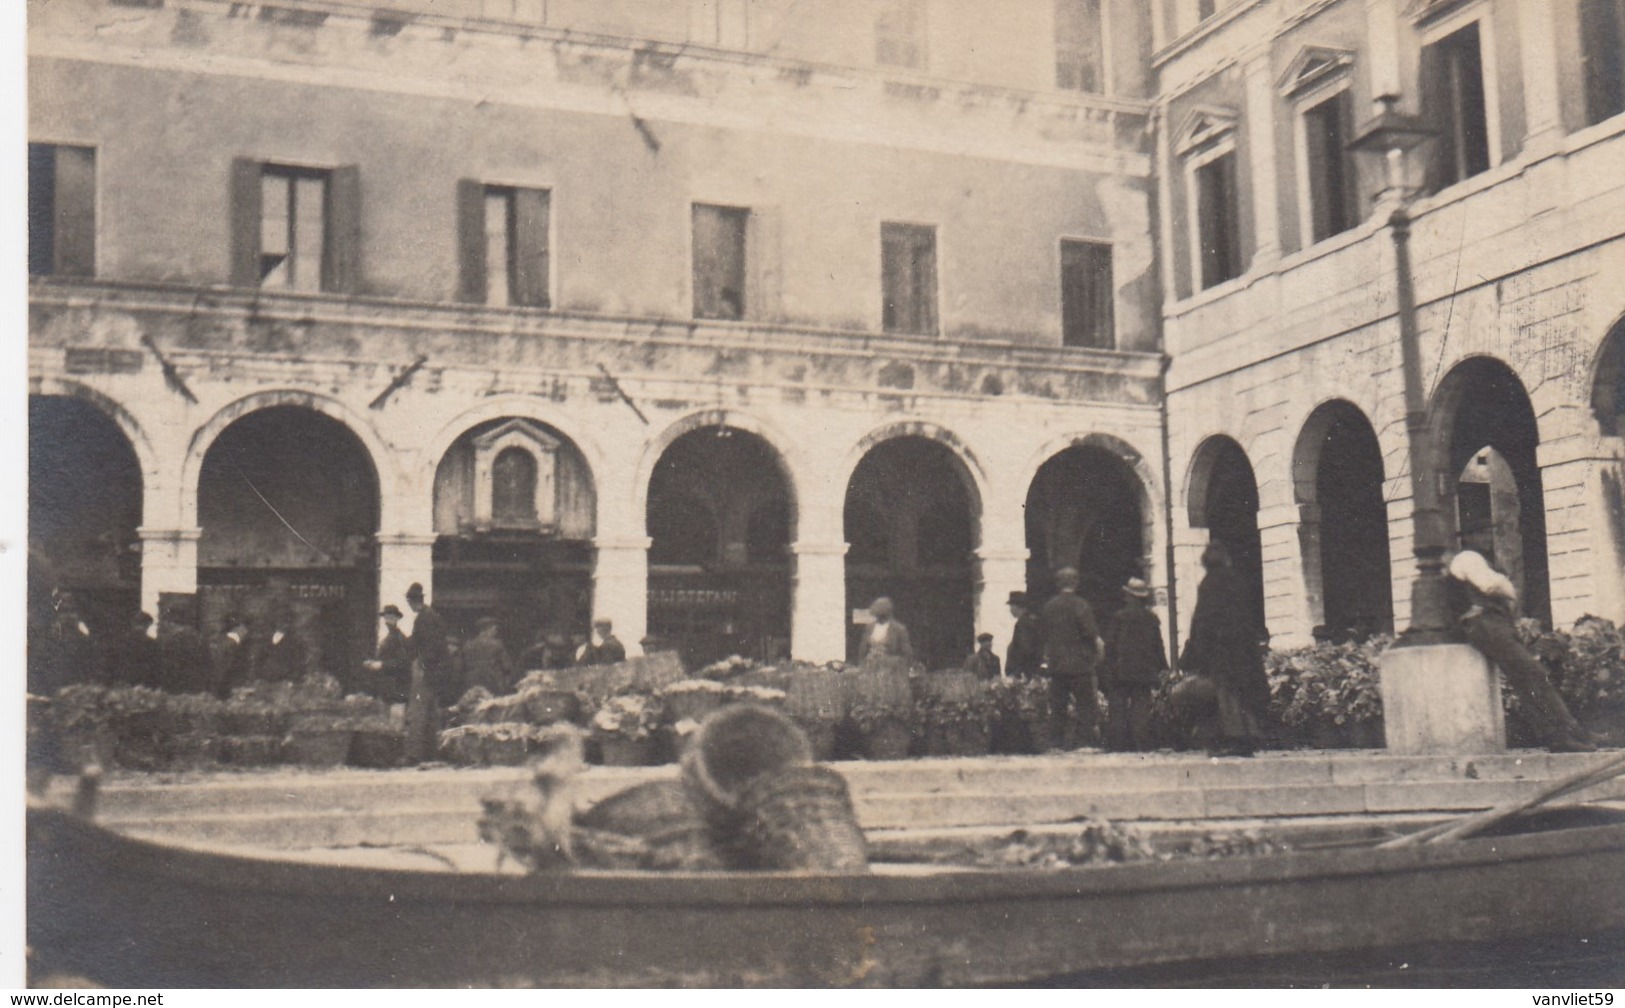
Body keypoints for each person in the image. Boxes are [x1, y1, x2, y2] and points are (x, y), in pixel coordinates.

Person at [1449, 529, 1596, 753]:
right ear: (1467, 537)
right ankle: (1562, 734)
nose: (1487, 537)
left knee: (1529, 676)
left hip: (1496, 625)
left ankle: (1567, 732)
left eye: (1489, 532)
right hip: (1486, 624)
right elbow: (1490, 585)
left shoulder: (1481, 559)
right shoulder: (1468, 558)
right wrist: (1508, 589)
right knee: (1530, 674)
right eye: (1480, 531)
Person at [1173, 542, 1264, 757]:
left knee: (1223, 693)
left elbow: (1201, 622)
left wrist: (1192, 654)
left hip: (1219, 650)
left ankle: (1232, 738)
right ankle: (1247, 736)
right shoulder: (1238, 581)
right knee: (1239, 693)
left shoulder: (1208, 584)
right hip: (1242, 649)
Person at [1101, 577, 1167, 752]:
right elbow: (1158, 646)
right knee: (1141, 707)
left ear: (1129, 596)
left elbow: (1110, 645)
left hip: (1121, 669)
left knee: (1118, 707)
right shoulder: (1151, 619)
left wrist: (1108, 667)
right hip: (1144, 670)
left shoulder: (1119, 617)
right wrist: (1163, 669)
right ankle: (1142, 744)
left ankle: (1118, 745)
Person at [1041, 567, 1104, 750]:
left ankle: (1056, 744)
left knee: (1058, 706)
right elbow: (1091, 634)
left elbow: (1044, 635)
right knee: (1085, 705)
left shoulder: (1049, 606)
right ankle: (1084, 743)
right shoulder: (1081, 605)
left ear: (1058, 584)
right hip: (1080, 665)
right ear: (1076, 582)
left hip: (1057, 664)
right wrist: (1096, 658)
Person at [405, 583, 452, 763]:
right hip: (435, 672)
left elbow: (428, 647)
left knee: (418, 712)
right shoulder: (433, 616)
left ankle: (414, 754)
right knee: (432, 713)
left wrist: (423, 666)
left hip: (425, 670)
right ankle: (432, 752)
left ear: (412, 601)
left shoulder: (423, 619)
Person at [157, 599, 211, 695]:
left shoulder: (173, 640)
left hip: (178, 690)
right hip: (198, 689)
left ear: (171, 622)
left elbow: (169, 669)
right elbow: (208, 663)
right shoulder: (199, 638)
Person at [362, 605, 412, 704]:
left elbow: (403, 663)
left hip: (396, 689)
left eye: (392, 617)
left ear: (397, 618)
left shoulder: (400, 639)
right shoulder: (387, 637)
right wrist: (373, 663)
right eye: (386, 617)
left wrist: (382, 665)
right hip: (385, 688)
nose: (388, 621)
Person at [462, 616, 515, 695]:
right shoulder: (496, 644)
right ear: (486, 630)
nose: (495, 632)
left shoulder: (467, 646)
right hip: (493, 683)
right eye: (494, 629)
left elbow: (461, 667)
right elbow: (507, 667)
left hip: (471, 684)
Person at [109, 612, 162, 688]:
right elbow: (154, 666)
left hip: (124, 681)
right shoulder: (151, 643)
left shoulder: (122, 640)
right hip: (144, 682)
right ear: (147, 625)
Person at [857, 597, 913, 666]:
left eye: (879, 609)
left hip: (889, 668)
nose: (877, 612)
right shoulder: (870, 627)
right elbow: (862, 650)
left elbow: (907, 654)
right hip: (869, 666)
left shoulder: (899, 629)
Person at [209, 614, 250, 698]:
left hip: (227, 643)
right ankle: (221, 693)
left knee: (223, 668)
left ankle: (221, 693)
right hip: (228, 644)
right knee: (224, 668)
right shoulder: (241, 631)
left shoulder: (238, 630)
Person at [1005, 591, 1043, 678]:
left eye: (1011, 606)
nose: (1010, 609)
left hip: (1023, 672)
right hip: (1031, 670)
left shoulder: (1022, 624)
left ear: (1017, 606)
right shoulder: (1031, 621)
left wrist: (1017, 672)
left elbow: (1024, 649)